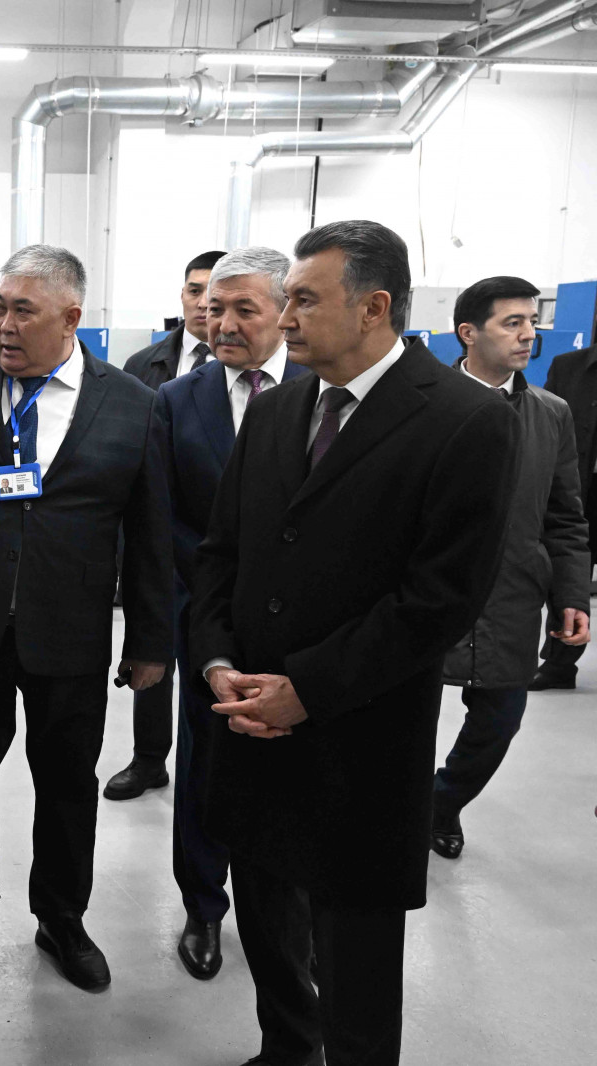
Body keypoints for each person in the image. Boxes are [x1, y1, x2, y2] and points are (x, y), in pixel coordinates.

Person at [190, 221, 517, 1066]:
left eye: (303, 300)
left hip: (361, 737)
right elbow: (223, 554)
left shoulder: (465, 421)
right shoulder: (277, 410)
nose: (283, 318)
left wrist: (305, 689)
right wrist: (219, 662)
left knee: (356, 959)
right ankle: (286, 1050)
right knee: (267, 922)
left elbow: (439, 599)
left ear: (373, 307)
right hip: (250, 724)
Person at [0, 244, 173, 989]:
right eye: (0, 308)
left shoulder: (132, 404)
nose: (4, 325)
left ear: (71, 318)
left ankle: (61, 919)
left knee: (67, 786)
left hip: (71, 633)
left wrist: (151, 640)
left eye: (24, 310)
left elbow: (150, 532)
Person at [154, 246, 309, 982]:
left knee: (295, 768)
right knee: (205, 765)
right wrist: (200, 612)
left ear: (285, 311)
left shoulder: (322, 390)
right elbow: (165, 520)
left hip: (302, 626)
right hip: (206, 618)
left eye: (245, 309)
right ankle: (203, 906)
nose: (223, 324)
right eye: (214, 309)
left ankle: (292, 911)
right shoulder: (178, 399)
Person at [431, 277, 590, 859]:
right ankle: (394, 812)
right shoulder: (422, 406)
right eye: (512, 323)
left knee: (499, 721)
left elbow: (565, 517)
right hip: (427, 595)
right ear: (468, 333)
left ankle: (441, 803)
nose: (528, 335)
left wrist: (570, 595)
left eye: (532, 323)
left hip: (512, 596)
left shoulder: (551, 414)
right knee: (403, 717)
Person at [107, 248, 227, 801]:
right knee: (152, 653)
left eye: (215, 294)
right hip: (158, 538)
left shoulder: (259, 371)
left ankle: (211, 765)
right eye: (195, 291)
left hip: (217, 542)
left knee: (216, 661)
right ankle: (149, 758)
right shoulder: (146, 364)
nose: (203, 304)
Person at [531, 337, 597, 690]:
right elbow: (548, 431)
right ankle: (559, 663)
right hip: (579, 489)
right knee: (567, 573)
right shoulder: (568, 366)